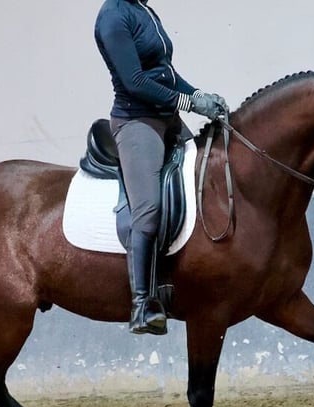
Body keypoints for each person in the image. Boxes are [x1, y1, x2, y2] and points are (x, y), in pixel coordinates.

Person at [95, 0, 227, 335]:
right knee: (149, 208)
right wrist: (188, 102)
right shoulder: (113, 15)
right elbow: (135, 80)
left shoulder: (144, 10)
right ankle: (142, 303)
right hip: (137, 121)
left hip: (167, 119)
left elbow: (164, 71)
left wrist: (198, 95)